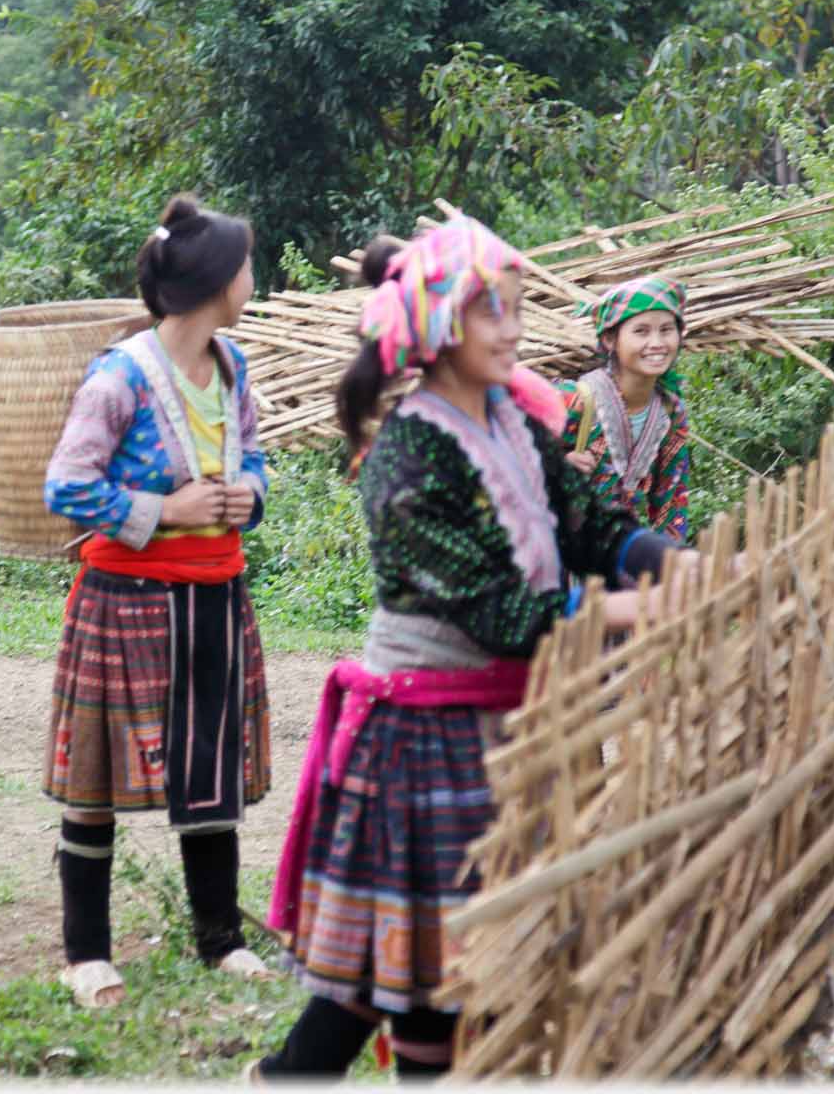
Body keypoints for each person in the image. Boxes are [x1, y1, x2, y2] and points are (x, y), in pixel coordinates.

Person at [255, 214, 696, 1082]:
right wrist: (631, 612)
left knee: (444, 956)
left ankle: (288, 1078)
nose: (515, 328)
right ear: (437, 324)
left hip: (503, 725)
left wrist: (670, 563)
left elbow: (591, 523)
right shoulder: (409, 452)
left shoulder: (511, 425)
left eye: (519, 308)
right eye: (493, 310)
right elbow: (497, 607)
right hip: (424, 733)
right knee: (436, 972)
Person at [42, 195, 273, 1008]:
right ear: (216, 280)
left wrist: (249, 493)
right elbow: (66, 485)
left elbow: (257, 459)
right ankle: (86, 953)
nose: (253, 275)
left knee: (211, 767)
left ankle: (221, 940)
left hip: (216, 594)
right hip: (127, 599)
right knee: (95, 778)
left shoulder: (232, 365)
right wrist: (163, 512)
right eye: (246, 264)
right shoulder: (120, 377)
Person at [560, 274, 694, 541]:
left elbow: (672, 500)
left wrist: (671, 565)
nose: (656, 343)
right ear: (610, 339)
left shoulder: (669, 411)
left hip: (617, 560)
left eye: (666, 330)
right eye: (641, 331)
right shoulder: (573, 399)